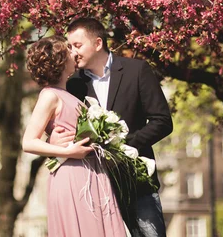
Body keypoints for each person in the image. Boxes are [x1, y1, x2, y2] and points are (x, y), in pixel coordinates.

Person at [52, 18, 173, 237]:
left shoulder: (137, 70)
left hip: (136, 183)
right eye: (69, 47)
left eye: (77, 45)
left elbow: (162, 120)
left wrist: (123, 147)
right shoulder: (72, 85)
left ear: (98, 43)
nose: (72, 52)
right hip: (92, 185)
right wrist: (54, 139)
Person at [22, 36, 127, 237]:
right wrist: (67, 151)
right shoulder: (49, 95)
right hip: (72, 174)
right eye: (69, 49)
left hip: (90, 172)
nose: (74, 53)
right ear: (60, 61)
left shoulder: (68, 94)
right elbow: (28, 142)